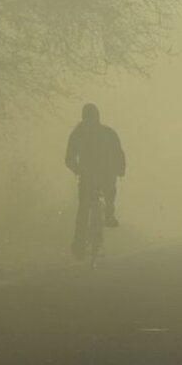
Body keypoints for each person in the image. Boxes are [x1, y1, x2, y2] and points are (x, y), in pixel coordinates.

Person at [65, 103, 126, 259]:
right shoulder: (108, 132)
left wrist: (77, 169)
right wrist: (120, 170)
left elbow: (69, 158)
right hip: (106, 176)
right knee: (109, 195)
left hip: (87, 177)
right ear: (98, 116)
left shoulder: (78, 133)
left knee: (84, 210)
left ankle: (79, 245)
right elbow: (118, 154)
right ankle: (109, 214)